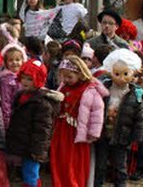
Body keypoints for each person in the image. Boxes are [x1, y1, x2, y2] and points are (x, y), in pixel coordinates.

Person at [50, 56, 109, 187]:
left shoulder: (90, 89)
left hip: (77, 132)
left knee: (74, 161)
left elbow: (97, 112)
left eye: (69, 76)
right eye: (63, 76)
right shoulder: (64, 87)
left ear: (80, 74)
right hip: (61, 129)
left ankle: (74, 183)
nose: (65, 80)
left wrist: (93, 132)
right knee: (60, 159)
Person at [6, 59, 64, 187]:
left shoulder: (42, 103)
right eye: (24, 78)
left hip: (33, 147)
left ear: (38, 80)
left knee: (31, 173)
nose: (25, 82)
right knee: (28, 174)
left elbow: (43, 129)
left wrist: (38, 150)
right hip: (23, 142)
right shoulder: (21, 95)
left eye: (30, 79)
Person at [95, 49, 143, 187]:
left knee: (120, 166)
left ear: (133, 73)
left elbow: (140, 119)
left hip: (122, 136)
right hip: (103, 133)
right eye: (117, 74)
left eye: (125, 74)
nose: (121, 78)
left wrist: (136, 138)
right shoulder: (104, 89)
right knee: (100, 165)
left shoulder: (135, 95)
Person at [0, 44, 27, 129]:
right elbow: (5, 102)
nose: (14, 62)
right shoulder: (6, 80)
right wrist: (7, 121)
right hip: (12, 116)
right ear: (6, 63)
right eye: (11, 60)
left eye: (17, 59)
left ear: (22, 60)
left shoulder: (25, 77)